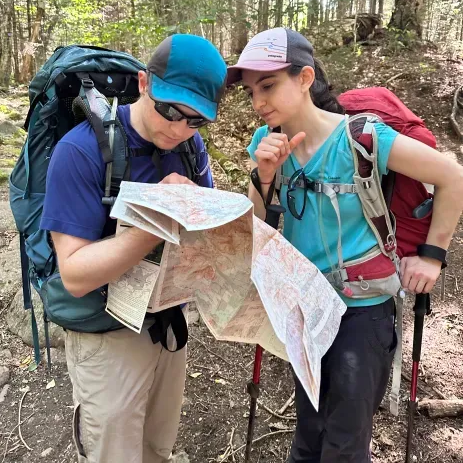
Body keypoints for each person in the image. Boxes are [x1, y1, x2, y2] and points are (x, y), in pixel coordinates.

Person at [227, 27, 463, 463]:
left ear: (304, 78)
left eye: (268, 85)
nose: (258, 102)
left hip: (362, 310)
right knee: (309, 431)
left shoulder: (361, 139)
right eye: (251, 92)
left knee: (347, 442)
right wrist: (263, 174)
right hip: (306, 307)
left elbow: (451, 176)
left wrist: (432, 256)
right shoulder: (266, 143)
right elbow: (254, 227)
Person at [40, 34, 227, 463]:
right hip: (107, 337)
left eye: (195, 120)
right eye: (169, 111)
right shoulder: (82, 152)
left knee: (157, 449)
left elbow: (204, 227)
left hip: (167, 323)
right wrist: (155, 221)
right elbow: (74, 273)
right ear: (144, 83)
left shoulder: (189, 149)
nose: (179, 129)